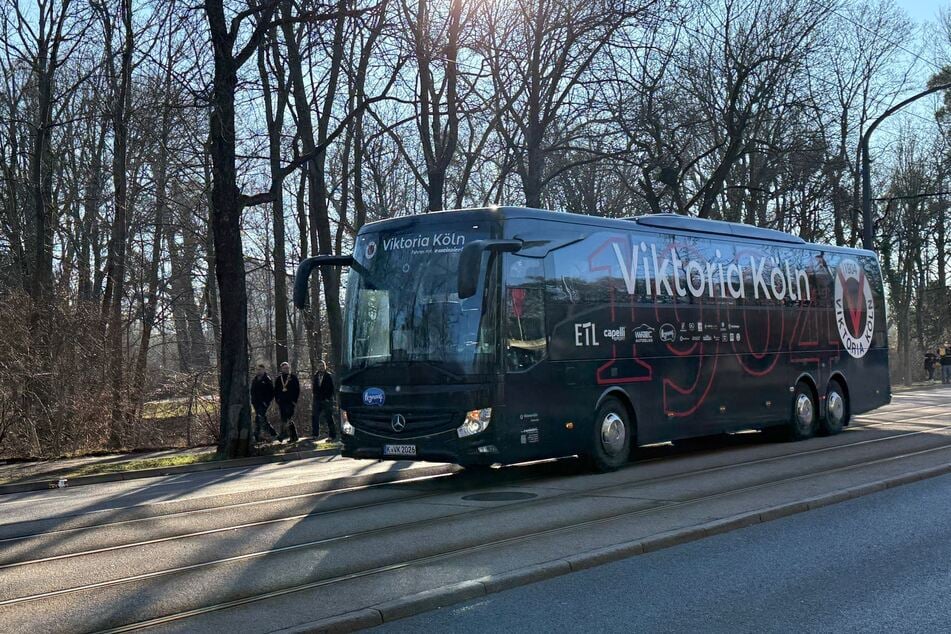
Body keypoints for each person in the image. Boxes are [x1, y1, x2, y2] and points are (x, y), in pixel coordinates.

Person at [273, 361, 301, 442]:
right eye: (285, 368)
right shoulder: (279, 379)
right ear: (281, 369)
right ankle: (294, 436)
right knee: (285, 418)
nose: (286, 369)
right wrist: (277, 400)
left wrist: (294, 401)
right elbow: (276, 390)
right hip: (282, 402)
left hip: (290, 402)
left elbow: (297, 389)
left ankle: (283, 434)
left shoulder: (293, 377)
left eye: (288, 368)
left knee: (287, 418)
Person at [250, 363, 277, 442]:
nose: (258, 371)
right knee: (259, 418)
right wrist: (253, 401)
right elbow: (252, 391)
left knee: (260, 417)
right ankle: (258, 436)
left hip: (263, 403)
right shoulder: (255, 379)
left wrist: (266, 402)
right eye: (257, 369)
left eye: (260, 369)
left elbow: (271, 393)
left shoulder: (267, 379)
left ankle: (272, 433)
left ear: (264, 370)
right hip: (256, 403)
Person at [311, 360, 338, 441]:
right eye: (319, 366)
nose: (321, 367)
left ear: (325, 366)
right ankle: (315, 434)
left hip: (326, 400)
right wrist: (315, 397)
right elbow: (314, 388)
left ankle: (332, 435)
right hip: (317, 400)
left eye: (322, 366)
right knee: (315, 417)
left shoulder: (329, 376)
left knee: (329, 417)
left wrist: (328, 398)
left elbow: (332, 389)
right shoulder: (316, 376)